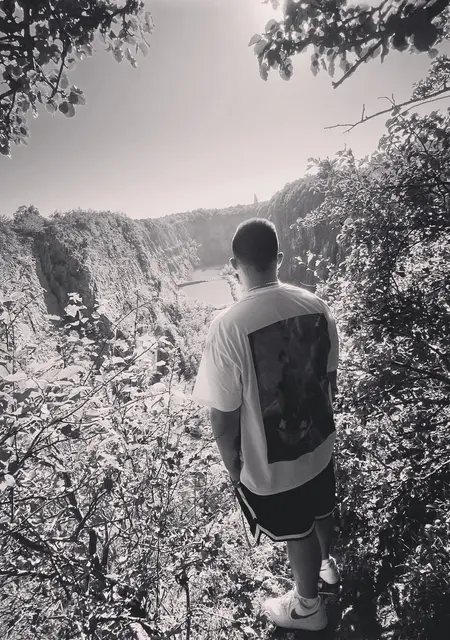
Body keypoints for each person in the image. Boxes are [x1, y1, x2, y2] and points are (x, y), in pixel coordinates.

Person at [191, 218, 340, 631]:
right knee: (321, 508)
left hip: (273, 466)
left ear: (234, 265)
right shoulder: (316, 306)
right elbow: (330, 380)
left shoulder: (228, 327)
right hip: (319, 443)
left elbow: (223, 416)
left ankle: (308, 608)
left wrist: (234, 467)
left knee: (298, 531)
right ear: (279, 257)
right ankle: (327, 567)